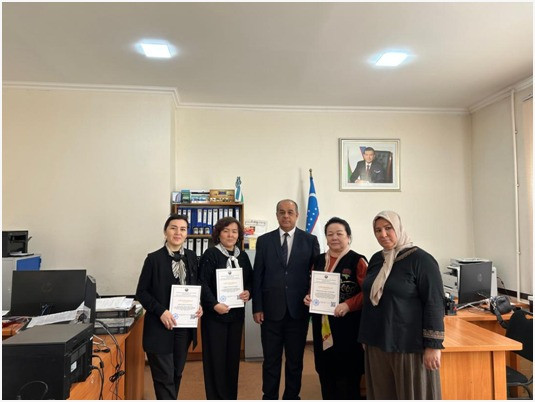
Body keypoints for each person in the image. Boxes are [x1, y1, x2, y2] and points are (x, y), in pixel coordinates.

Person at [358, 210, 444, 399]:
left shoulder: (421, 260)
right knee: (381, 394)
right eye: (378, 230)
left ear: (398, 228)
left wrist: (433, 345)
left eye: (388, 228)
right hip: (377, 343)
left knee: (412, 395)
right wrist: (366, 335)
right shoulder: (376, 259)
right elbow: (369, 300)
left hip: (408, 344)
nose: (383, 234)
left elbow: (434, 303)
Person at [253, 199, 320, 400]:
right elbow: (258, 276)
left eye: (290, 212)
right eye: (281, 212)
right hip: (270, 311)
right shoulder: (264, 241)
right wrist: (257, 307)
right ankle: (269, 396)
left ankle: (292, 396)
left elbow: (315, 275)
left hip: (298, 311)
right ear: (276, 215)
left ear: (297, 215)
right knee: (270, 361)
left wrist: (313, 297)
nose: (286, 216)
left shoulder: (310, 241)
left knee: (295, 361)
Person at [136, 214, 203, 400]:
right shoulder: (153, 259)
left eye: (183, 229)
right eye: (173, 228)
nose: (178, 232)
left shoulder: (191, 257)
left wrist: (198, 304)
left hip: (183, 328)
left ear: (187, 234)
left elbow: (194, 285)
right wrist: (161, 311)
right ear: (165, 232)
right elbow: (141, 292)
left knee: (176, 374)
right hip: (160, 327)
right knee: (164, 377)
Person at [304, 217, 368, 400]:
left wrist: (348, 305)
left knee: (347, 375)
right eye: (330, 234)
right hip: (323, 325)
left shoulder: (358, 260)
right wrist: (309, 296)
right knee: (325, 371)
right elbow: (312, 286)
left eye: (339, 233)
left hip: (348, 327)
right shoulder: (318, 260)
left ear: (348, 237)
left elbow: (368, 292)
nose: (334, 238)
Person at [199, 217, 253, 399]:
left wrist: (248, 292)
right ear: (219, 234)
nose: (230, 235)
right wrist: (214, 305)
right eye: (226, 231)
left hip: (236, 317)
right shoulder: (211, 254)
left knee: (232, 360)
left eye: (234, 231)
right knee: (216, 361)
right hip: (215, 317)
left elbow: (250, 281)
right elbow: (202, 283)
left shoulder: (242, 256)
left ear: (239, 235)